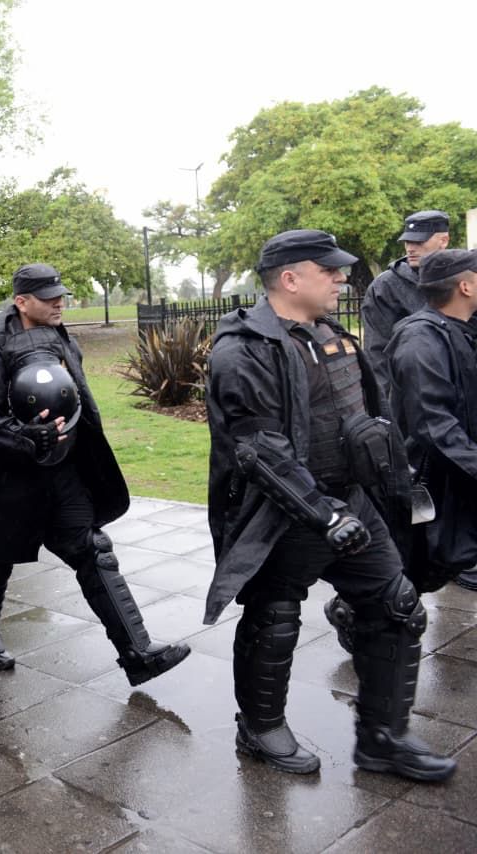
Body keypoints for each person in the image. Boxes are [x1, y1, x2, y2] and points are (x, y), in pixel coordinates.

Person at [205, 228, 455, 781]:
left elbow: (366, 414)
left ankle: (384, 738)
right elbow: (259, 449)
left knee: (397, 605)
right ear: (290, 279)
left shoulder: (330, 334)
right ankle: (260, 727)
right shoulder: (243, 350)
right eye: (330, 270)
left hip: (353, 501)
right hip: (285, 513)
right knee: (274, 619)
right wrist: (324, 513)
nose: (342, 277)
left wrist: (393, 481)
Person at [0, 264, 194, 678]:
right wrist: (26, 436)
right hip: (8, 475)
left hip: (62, 470)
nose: (59, 302)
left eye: (60, 295)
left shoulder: (60, 335)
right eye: (48, 298)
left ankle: (137, 652)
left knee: (93, 549)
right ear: (21, 302)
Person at [386, 249, 477, 593]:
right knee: (416, 569)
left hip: (460, 470)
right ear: (465, 287)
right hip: (433, 478)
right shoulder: (420, 340)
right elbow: (433, 426)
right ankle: (354, 610)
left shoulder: (461, 329)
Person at [361, 210, 451, 397]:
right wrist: (384, 404)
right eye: (408, 241)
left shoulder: (465, 277)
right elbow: (377, 351)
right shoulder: (386, 286)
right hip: (413, 393)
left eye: (419, 242)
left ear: (444, 240)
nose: (410, 248)